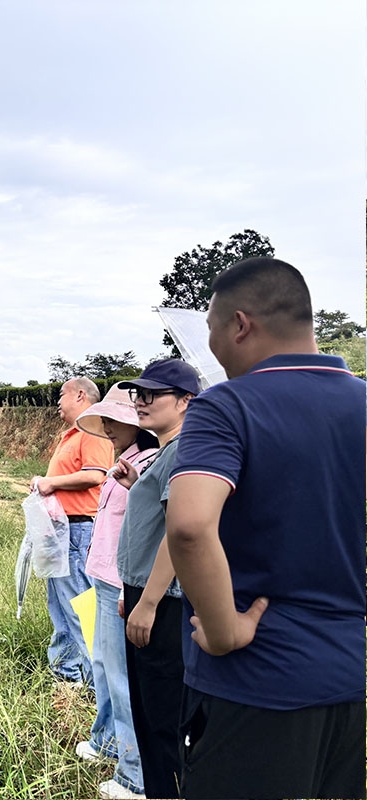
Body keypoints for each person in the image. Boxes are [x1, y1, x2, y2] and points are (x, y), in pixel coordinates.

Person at [166, 257, 366, 800]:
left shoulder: (227, 406)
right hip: (348, 683)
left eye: (209, 328)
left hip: (253, 686)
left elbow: (187, 526)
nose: (210, 342)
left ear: (239, 323)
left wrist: (223, 627)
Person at [114, 358, 201, 799]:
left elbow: (177, 533)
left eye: (152, 394)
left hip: (163, 602)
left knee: (160, 720)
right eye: (138, 394)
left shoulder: (184, 448)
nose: (141, 402)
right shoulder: (168, 450)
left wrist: (146, 601)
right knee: (151, 712)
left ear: (186, 401)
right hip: (148, 592)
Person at [73, 384, 159, 800]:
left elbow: (150, 529)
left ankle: (135, 775)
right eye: (104, 418)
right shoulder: (125, 461)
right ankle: (106, 738)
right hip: (102, 576)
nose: (107, 426)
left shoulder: (151, 462)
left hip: (120, 582)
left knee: (123, 677)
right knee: (104, 665)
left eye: (114, 419)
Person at [30, 377, 114, 687]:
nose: (57, 402)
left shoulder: (92, 429)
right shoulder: (72, 434)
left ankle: (96, 682)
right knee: (60, 604)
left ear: (80, 395)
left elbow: (95, 475)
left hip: (77, 531)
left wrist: (51, 484)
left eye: (61, 395)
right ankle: (68, 673)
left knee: (81, 604)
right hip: (61, 531)